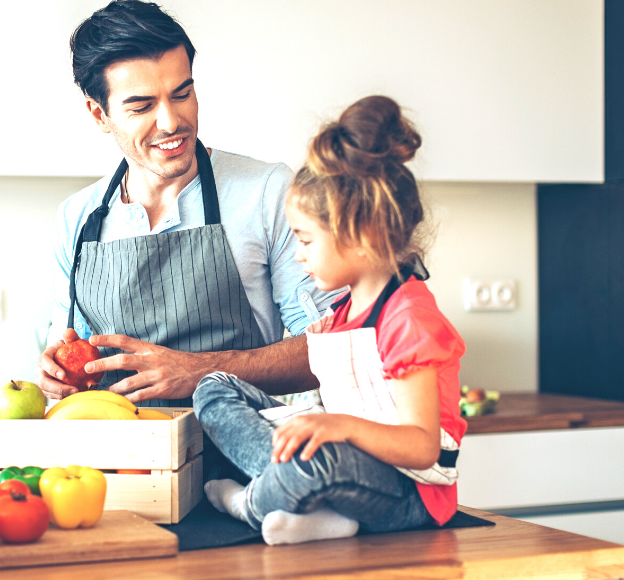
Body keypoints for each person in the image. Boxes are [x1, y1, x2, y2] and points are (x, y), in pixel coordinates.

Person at [194, 95, 467, 545]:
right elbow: (347, 401)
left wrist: (334, 427)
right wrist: (324, 366)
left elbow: (422, 447)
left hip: (407, 490)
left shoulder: (410, 318)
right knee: (213, 386)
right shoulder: (343, 310)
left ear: (359, 235)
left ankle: (252, 503)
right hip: (346, 459)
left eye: (305, 240)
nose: (298, 255)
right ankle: (301, 495)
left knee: (319, 462)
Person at [36, 0, 336, 407]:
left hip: (236, 462)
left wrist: (201, 372)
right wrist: (55, 375)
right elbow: (66, 349)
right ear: (99, 114)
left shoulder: (267, 191)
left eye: (182, 94)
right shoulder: (77, 218)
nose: (171, 121)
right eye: (142, 106)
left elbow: (331, 348)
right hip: (123, 464)